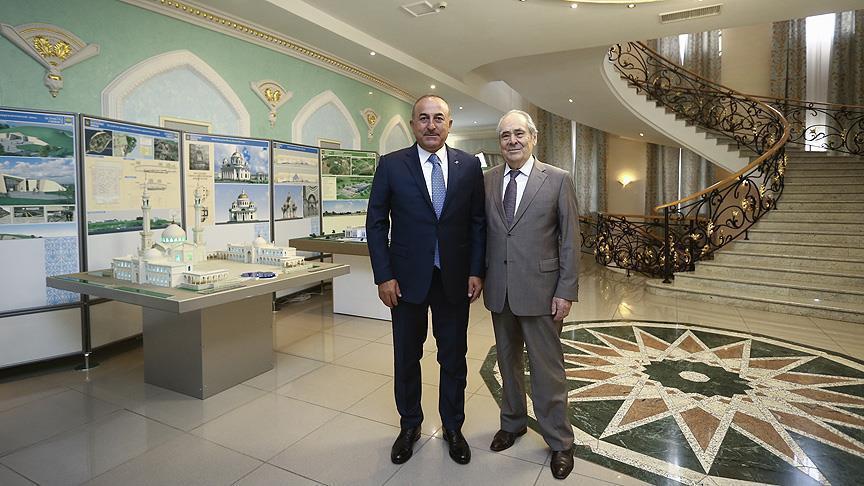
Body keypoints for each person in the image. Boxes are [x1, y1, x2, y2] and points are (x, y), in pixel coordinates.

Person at [366, 94, 486, 465]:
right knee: (407, 356)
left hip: (454, 279)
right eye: (423, 118)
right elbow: (376, 223)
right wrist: (384, 275)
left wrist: (476, 270)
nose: (430, 125)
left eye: (438, 118)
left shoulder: (469, 166)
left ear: (449, 124)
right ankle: (410, 425)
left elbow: (477, 222)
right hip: (405, 282)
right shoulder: (391, 164)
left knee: (454, 357)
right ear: (412, 124)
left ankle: (453, 427)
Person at [483, 110, 579, 480]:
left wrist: (565, 290)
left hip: (542, 292)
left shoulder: (557, 179)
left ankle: (560, 441)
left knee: (547, 370)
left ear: (533, 137)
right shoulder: (488, 180)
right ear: (499, 142)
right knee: (507, 363)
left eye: (519, 133)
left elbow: (570, 240)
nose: (512, 141)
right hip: (500, 291)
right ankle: (512, 423)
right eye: (505, 135)